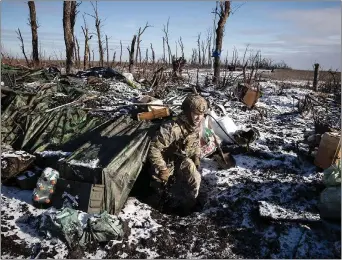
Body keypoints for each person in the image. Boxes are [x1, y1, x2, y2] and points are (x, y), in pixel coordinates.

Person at [147, 94, 208, 214]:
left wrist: (196, 156)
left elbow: (196, 141)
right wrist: (162, 168)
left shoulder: (196, 124)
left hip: (181, 157)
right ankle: (155, 210)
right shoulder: (173, 128)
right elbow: (154, 148)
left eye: (201, 115)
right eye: (196, 114)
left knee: (196, 178)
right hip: (166, 159)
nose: (199, 118)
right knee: (158, 185)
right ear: (187, 112)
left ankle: (189, 207)